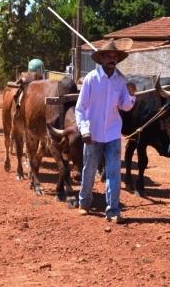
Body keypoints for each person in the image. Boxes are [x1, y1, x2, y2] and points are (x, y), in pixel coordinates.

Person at [75, 39, 136, 223]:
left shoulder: (121, 80)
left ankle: (113, 210)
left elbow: (125, 107)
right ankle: (84, 203)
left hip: (112, 133)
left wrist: (132, 96)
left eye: (114, 56)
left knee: (113, 172)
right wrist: (84, 129)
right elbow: (80, 107)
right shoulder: (91, 79)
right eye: (108, 56)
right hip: (92, 133)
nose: (111, 58)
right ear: (101, 58)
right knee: (89, 169)